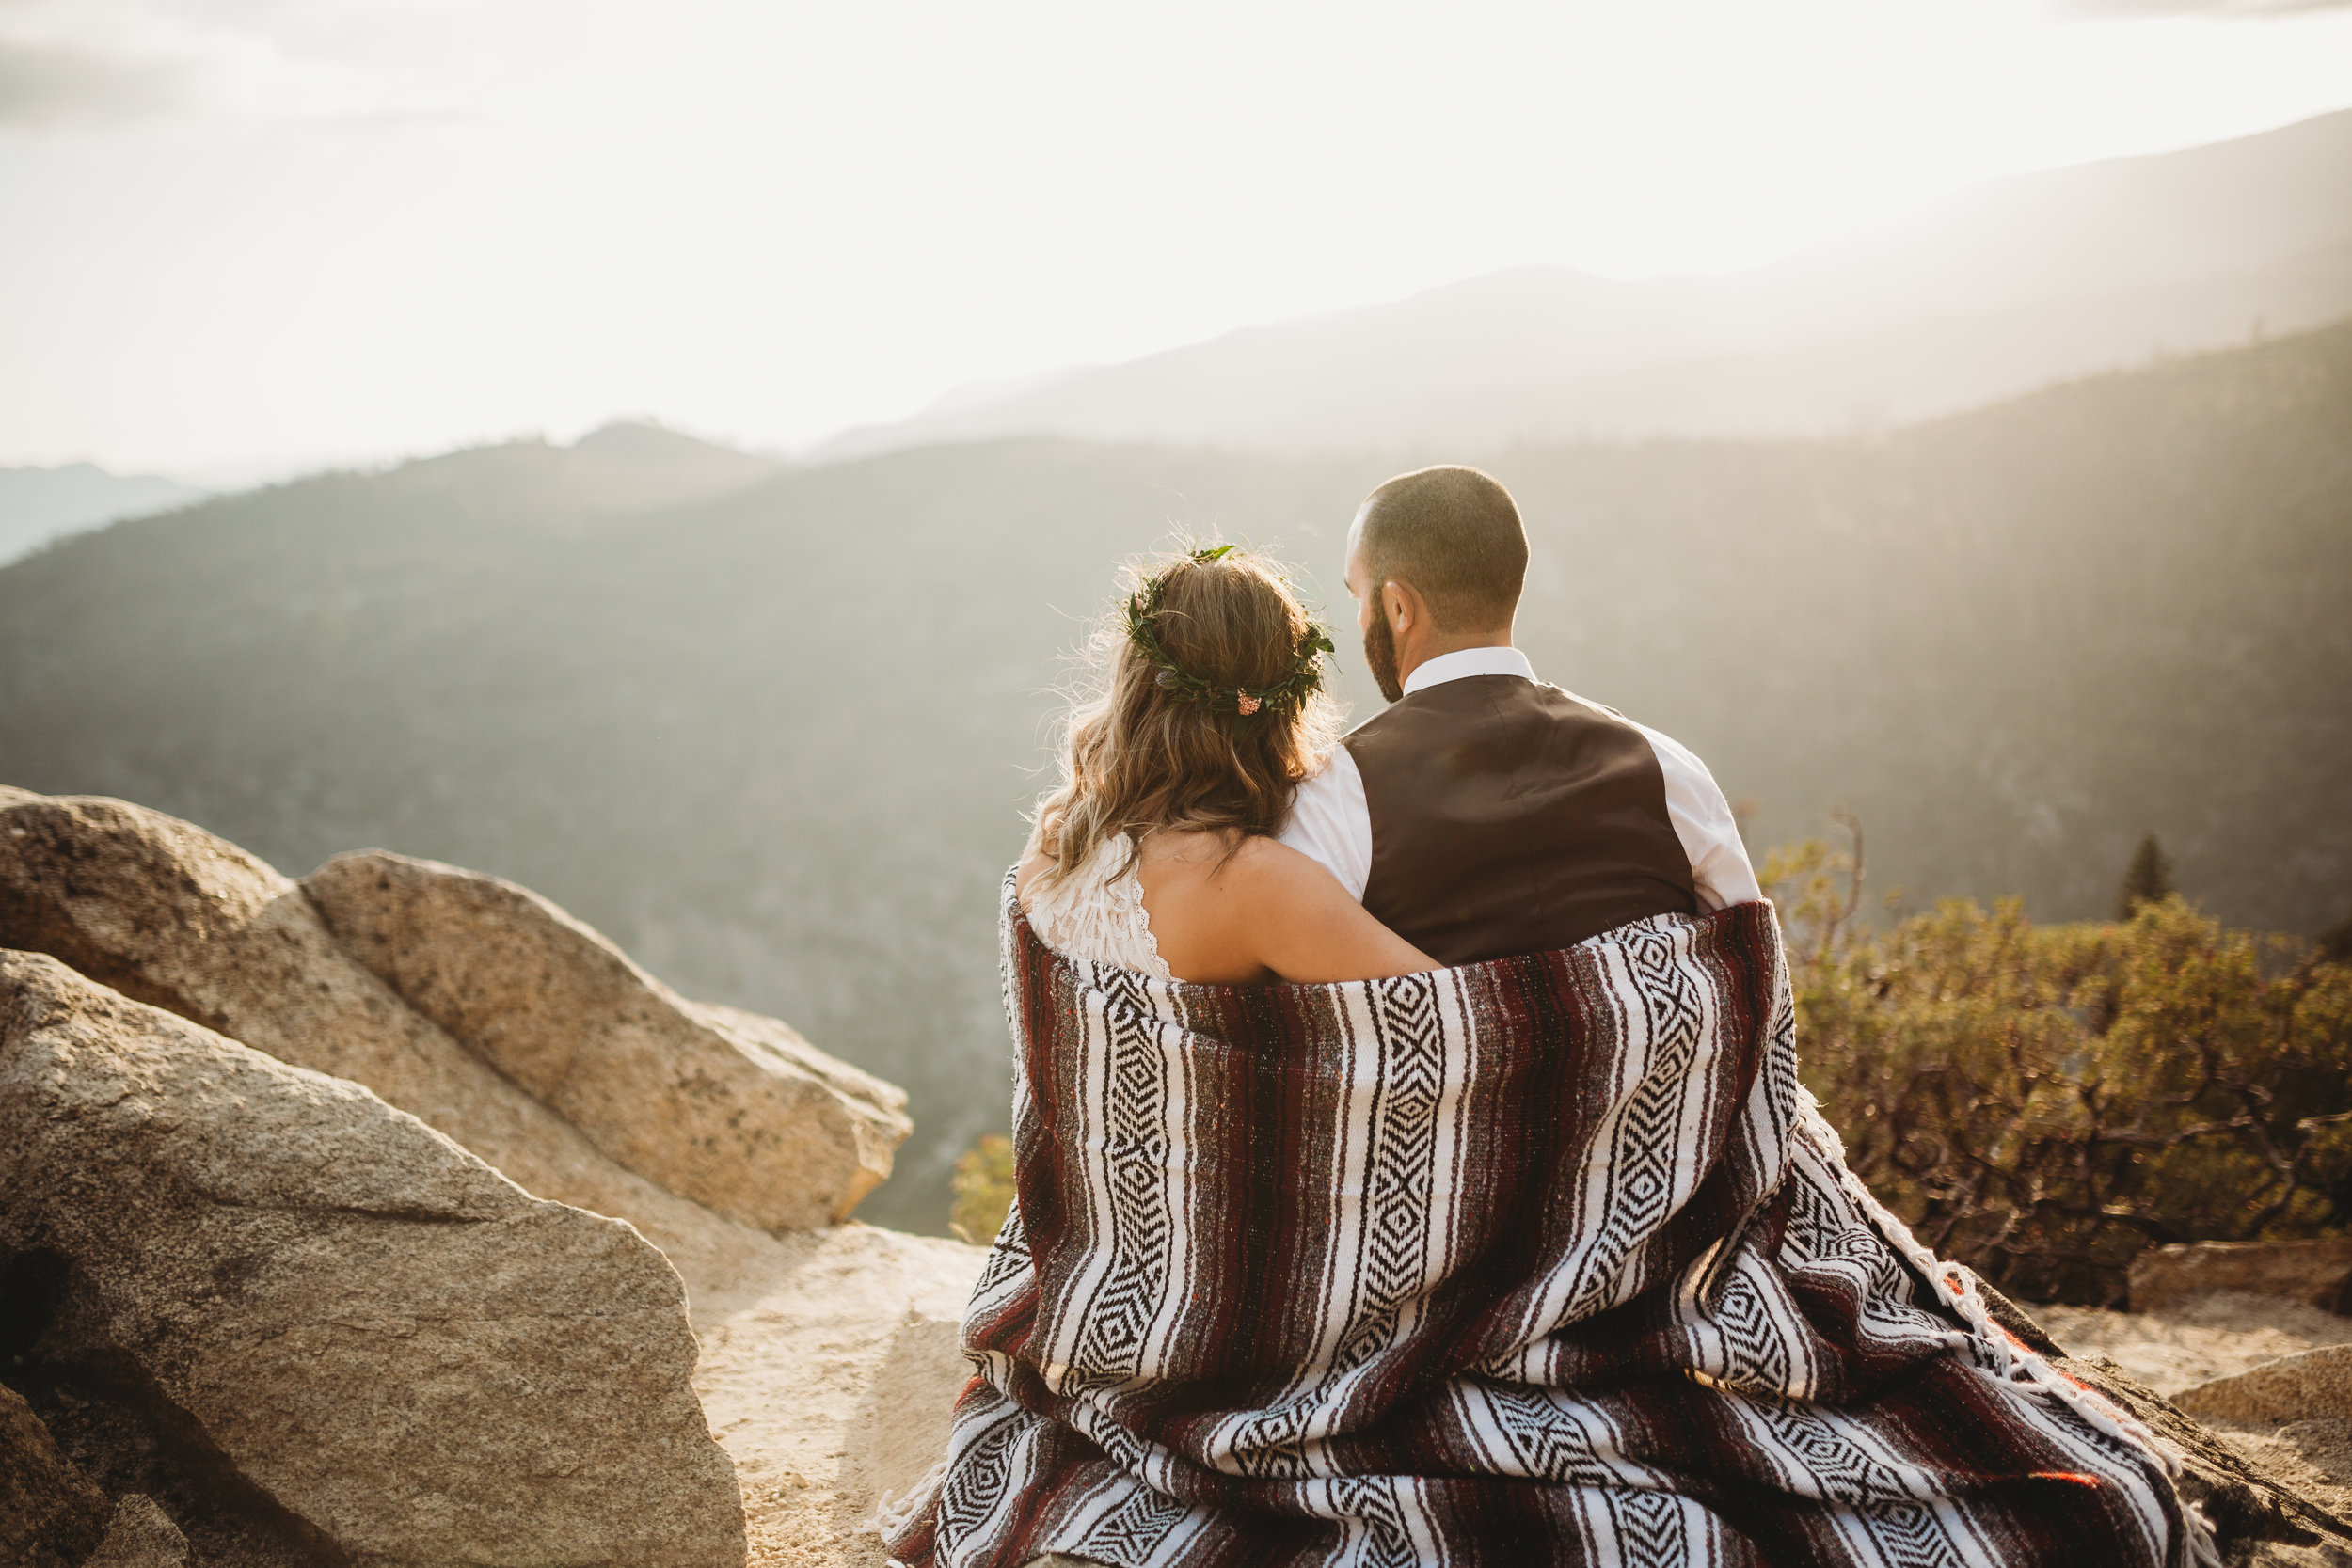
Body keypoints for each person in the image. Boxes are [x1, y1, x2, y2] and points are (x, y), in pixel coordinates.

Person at [1279, 463, 1760, 965]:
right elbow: (1751, 975)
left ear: (1399, 608)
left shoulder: (1334, 795)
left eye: (1359, 597)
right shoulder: (1670, 771)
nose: (1359, 621)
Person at [1016, 544, 1433, 985]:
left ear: (1135, 685)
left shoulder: (1055, 838)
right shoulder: (1257, 881)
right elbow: (1464, 1016)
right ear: (1282, 712)